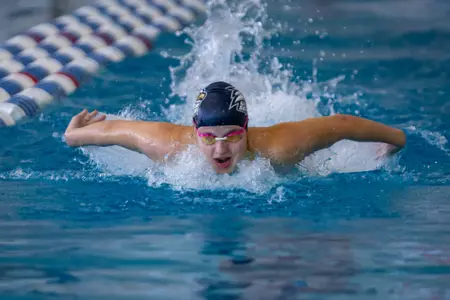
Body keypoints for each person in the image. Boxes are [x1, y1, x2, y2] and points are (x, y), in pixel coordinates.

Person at [64, 81, 406, 174]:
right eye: (209, 138)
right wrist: (73, 134)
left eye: (232, 136)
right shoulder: (167, 146)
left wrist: (396, 139)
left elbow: (341, 124)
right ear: (195, 131)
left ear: (247, 129)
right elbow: (114, 131)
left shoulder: (280, 148)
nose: (221, 149)